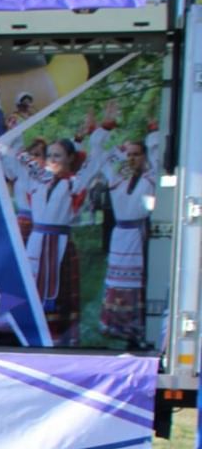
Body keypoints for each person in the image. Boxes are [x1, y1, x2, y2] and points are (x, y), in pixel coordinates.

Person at [26, 118, 115, 344]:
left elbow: (93, 161)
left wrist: (102, 130)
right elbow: (12, 157)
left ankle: (60, 337)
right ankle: (32, 332)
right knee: (32, 284)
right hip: (36, 243)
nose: (52, 160)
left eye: (58, 156)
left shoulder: (74, 183)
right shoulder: (39, 179)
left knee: (60, 292)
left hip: (59, 244)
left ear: (69, 159)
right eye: (49, 156)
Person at [97, 135, 156, 347]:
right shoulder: (118, 178)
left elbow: (158, 158)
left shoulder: (151, 177)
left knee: (139, 281)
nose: (131, 158)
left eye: (136, 154)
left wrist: (154, 136)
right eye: (129, 154)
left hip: (140, 235)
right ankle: (119, 327)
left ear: (144, 156)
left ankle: (138, 330)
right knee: (119, 281)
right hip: (121, 234)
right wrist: (117, 149)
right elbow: (101, 159)